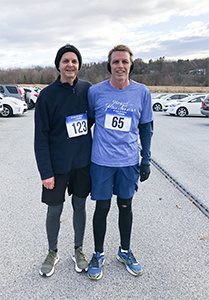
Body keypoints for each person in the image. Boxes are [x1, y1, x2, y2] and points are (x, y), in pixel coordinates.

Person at [87, 44, 154, 280]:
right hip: (102, 162)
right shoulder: (95, 92)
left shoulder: (142, 92)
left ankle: (124, 251)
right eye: (115, 62)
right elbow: (87, 125)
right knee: (102, 208)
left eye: (124, 62)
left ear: (131, 65)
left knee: (126, 207)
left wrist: (146, 159)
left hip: (128, 162)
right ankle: (98, 253)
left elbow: (146, 128)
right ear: (109, 65)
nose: (120, 66)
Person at [34, 44, 93, 277]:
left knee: (80, 206)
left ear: (79, 65)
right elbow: (40, 138)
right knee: (54, 210)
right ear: (58, 65)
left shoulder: (88, 90)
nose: (70, 65)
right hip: (57, 167)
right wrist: (45, 172)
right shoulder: (47, 96)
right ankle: (52, 251)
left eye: (74, 61)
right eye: (66, 61)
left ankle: (78, 249)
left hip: (82, 165)